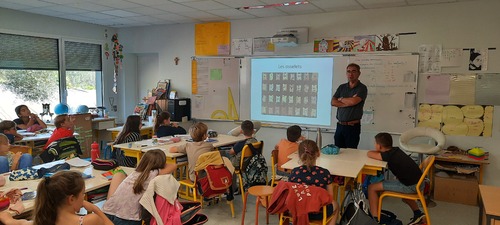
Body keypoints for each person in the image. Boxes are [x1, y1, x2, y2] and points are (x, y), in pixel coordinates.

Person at [0, 171, 114, 225]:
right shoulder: (90, 220)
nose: (84, 197)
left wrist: (6, 216)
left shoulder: (39, 222)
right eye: (82, 194)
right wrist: (95, 209)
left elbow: (15, 222)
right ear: (71, 199)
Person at [103, 149, 176, 225]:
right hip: (128, 217)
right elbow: (173, 165)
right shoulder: (152, 174)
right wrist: (162, 163)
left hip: (108, 211)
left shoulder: (135, 173)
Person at [366, 132, 424, 225]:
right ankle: (418, 213)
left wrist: (374, 151)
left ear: (380, 146)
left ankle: (375, 219)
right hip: (418, 182)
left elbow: (369, 154)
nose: (374, 145)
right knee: (403, 196)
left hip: (410, 186)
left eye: (375, 143)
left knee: (371, 188)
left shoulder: (387, 155)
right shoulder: (395, 150)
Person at [288, 140, 339, 224]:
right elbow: (330, 198)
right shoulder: (325, 173)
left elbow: (291, 194)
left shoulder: (294, 172)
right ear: (318, 153)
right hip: (319, 212)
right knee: (336, 204)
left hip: (298, 211)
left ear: (299, 155)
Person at [331, 63, 367, 149]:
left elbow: (354, 101)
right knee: (338, 152)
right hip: (340, 126)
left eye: (354, 71)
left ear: (359, 73)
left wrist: (341, 99)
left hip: (352, 127)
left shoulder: (362, 88)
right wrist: (348, 101)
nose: (351, 74)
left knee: (351, 154)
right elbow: (333, 102)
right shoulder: (342, 87)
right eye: (348, 71)